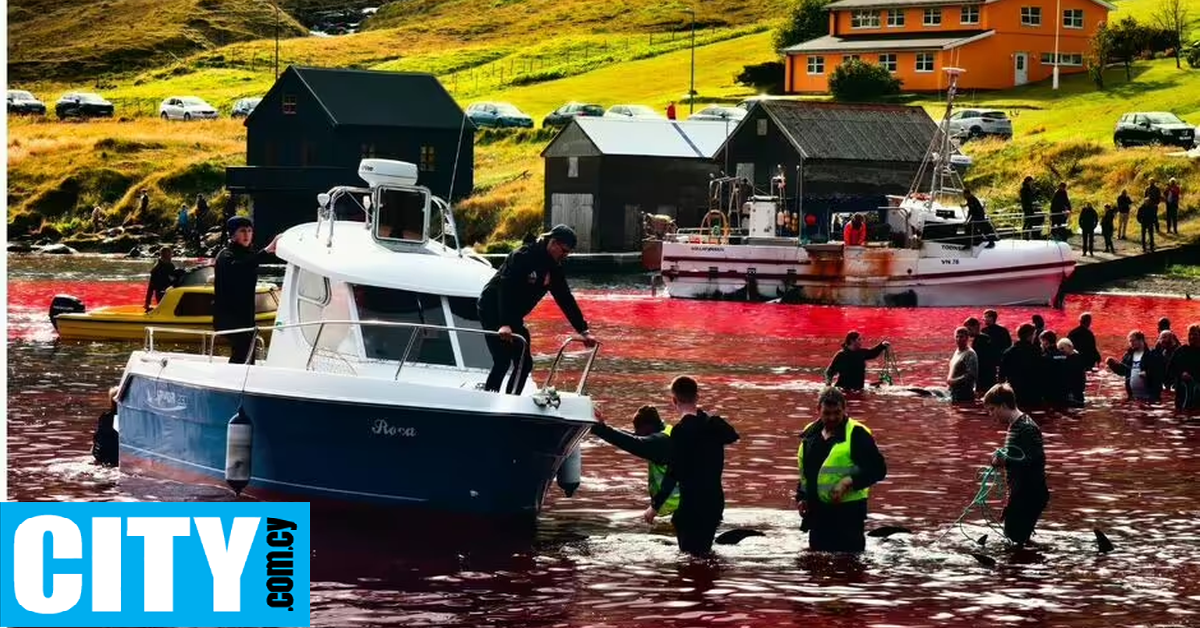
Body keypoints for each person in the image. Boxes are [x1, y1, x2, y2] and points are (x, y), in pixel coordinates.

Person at [476, 225, 597, 394]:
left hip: (514, 315)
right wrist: (504, 324)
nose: (564, 256)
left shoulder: (554, 268)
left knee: (525, 364)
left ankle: (512, 399)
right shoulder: (523, 256)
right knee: (502, 360)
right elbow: (505, 288)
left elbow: (565, 299)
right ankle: (490, 395)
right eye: (563, 251)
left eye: (568, 253)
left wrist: (583, 330)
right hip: (493, 307)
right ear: (553, 243)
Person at [644, 376, 739, 557]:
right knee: (704, 553)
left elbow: (673, 473)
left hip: (691, 506)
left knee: (689, 558)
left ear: (674, 401)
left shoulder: (680, 431)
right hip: (713, 502)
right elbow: (733, 435)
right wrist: (704, 416)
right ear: (697, 397)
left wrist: (654, 507)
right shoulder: (713, 425)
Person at [795, 386, 887, 553]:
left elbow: (878, 469)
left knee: (849, 566)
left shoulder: (857, 433)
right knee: (816, 567)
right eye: (827, 413)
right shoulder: (810, 434)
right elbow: (806, 473)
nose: (832, 418)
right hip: (817, 515)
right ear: (818, 410)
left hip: (848, 516)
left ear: (845, 409)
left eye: (837, 413)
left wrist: (847, 482)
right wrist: (801, 497)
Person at [984, 384, 1049, 549]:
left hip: (1029, 493)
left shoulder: (1026, 427)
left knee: (1015, 542)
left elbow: (1035, 459)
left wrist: (1003, 460)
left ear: (1004, 405)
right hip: (1020, 492)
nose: (991, 414)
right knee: (1016, 541)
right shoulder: (1015, 425)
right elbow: (1017, 456)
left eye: (992, 409)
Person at [590, 405, 680, 517]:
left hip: (676, 509)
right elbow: (631, 437)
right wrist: (604, 427)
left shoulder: (660, 443)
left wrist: (599, 429)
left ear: (648, 427)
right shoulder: (668, 433)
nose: (636, 433)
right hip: (676, 507)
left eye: (638, 429)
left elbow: (632, 442)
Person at [213, 216, 280, 365]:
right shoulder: (225, 255)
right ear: (232, 234)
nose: (247, 234)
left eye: (249, 231)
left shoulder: (248, 254)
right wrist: (267, 250)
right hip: (229, 316)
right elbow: (240, 266)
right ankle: (233, 383)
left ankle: (246, 380)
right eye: (242, 231)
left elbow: (252, 261)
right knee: (242, 351)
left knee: (249, 352)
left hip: (245, 315)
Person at [1106, 330, 1166, 402]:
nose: (1131, 343)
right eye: (1130, 341)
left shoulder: (1153, 354)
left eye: (1133, 341)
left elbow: (1160, 371)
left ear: (1141, 340)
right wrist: (1112, 365)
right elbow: (1122, 371)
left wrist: (1148, 374)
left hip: (1151, 395)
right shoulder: (1128, 355)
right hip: (1132, 395)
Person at [824, 331, 890, 391]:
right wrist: (828, 386)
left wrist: (882, 345)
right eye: (859, 339)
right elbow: (829, 372)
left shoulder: (861, 353)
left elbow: (872, 353)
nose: (861, 341)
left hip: (859, 388)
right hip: (843, 389)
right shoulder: (841, 355)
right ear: (852, 341)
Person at [1000, 323, 1043, 408]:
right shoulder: (1036, 351)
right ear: (1030, 336)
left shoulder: (1009, 352)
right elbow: (1041, 371)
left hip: (1015, 390)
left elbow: (1002, 373)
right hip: (1033, 390)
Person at [1168, 323, 1200, 411]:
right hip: (1181, 396)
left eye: (1195, 334)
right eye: (1190, 334)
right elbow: (1169, 371)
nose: (1192, 337)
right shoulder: (1181, 351)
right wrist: (1181, 374)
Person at [965, 317, 996, 394]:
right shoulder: (984, 338)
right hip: (989, 374)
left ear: (975, 327)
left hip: (983, 376)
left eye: (969, 329)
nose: (968, 333)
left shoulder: (979, 341)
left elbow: (980, 360)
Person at [947, 326, 978, 403]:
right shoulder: (957, 352)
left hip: (964, 394)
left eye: (961, 337)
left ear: (967, 338)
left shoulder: (970, 354)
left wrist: (954, 381)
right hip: (953, 392)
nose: (958, 339)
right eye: (957, 337)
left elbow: (971, 375)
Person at [144, 247, 180, 312]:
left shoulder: (170, 265)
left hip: (170, 292)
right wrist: (147, 302)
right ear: (165, 256)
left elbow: (174, 280)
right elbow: (151, 287)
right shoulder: (156, 269)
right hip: (162, 295)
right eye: (170, 255)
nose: (171, 257)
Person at [92, 386, 120, 467]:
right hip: (116, 457)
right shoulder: (128, 417)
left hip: (102, 455)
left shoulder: (105, 417)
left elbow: (97, 437)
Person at [1038, 331, 1068, 407]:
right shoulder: (1064, 355)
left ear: (1046, 342)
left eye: (1041, 342)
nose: (1041, 345)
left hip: (1050, 391)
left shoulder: (1045, 357)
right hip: (1064, 390)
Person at [1058, 338, 1088, 406]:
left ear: (1069, 346)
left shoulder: (1074, 359)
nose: (1061, 351)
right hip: (1075, 389)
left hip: (1074, 389)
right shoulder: (1074, 357)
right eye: (1059, 349)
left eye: (1062, 348)